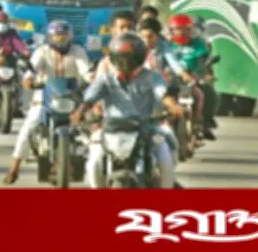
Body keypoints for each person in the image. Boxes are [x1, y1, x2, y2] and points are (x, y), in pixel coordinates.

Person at [70, 32, 184, 189]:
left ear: (139, 57)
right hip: (110, 130)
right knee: (94, 162)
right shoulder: (106, 78)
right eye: (121, 57)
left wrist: (173, 106)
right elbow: (90, 98)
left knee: (165, 159)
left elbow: (163, 94)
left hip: (146, 128)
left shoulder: (152, 76)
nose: (125, 62)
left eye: (129, 57)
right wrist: (80, 112)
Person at [3, 20, 91, 184]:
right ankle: (15, 165)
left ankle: (96, 168)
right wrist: (29, 79)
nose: (61, 40)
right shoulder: (42, 51)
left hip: (72, 96)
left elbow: (85, 70)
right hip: (44, 96)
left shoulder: (78, 51)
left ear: (71, 37)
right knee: (29, 125)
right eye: (57, 37)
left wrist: (91, 78)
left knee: (90, 128)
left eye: (64, 37)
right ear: (50, 37)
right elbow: (32, 69)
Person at [167, 14, 217, 139]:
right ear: (171, 30)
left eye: (185, 29)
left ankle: (204, 124)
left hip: (193, 78)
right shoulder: (166, 45)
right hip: (170, 80)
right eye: (178, 29)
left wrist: (204, 75)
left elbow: (202, 62)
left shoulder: (199, 44)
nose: (182, 32)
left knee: (209, 93)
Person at [95, 10, 136, 78]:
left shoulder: (144, 59)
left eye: (130, 27)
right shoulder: (106, 65)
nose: (126, 31)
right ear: (113, 31)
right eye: (122, 27)